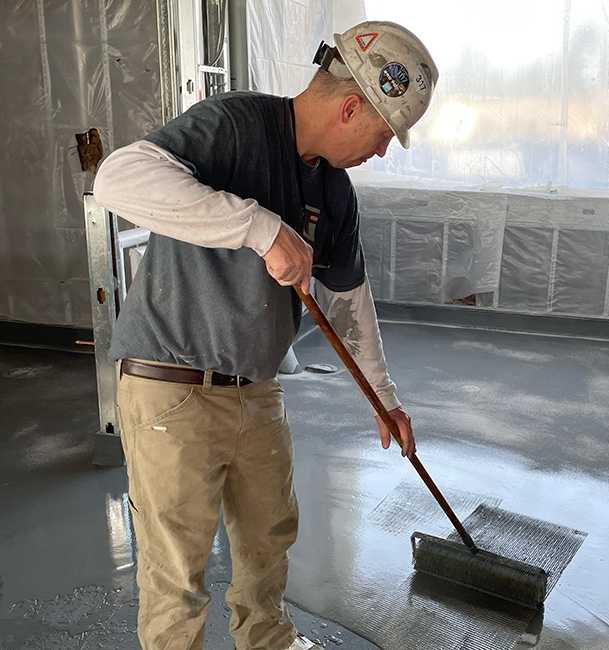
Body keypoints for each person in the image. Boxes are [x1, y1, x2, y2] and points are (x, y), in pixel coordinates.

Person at [93, 20, 437, 650]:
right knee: (177, 573)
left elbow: (348, 300)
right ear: (351, 108)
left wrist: (385, 398)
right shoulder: (234, 126)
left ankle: (268, 642)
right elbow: (119, 178)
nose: (382, 152)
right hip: (173, 387)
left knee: (268, 541)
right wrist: (260, 228)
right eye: (384, 135)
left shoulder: (334, 190)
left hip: (257, 389)